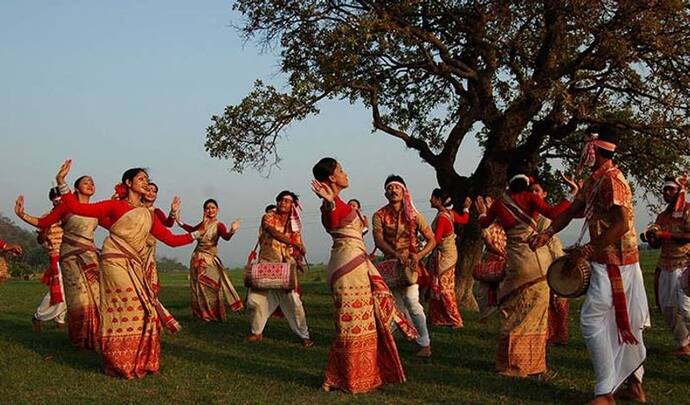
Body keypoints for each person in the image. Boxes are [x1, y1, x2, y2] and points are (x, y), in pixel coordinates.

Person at [530, 125, 650, 403]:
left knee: (595, 321)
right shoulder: (595, 180)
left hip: (617, 264)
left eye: (587, 148)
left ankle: (606, 392)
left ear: (596, 149)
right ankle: (633, 384)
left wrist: (585, 249)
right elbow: (571, 211)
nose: (583, 153)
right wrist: (547, 233)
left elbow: (621, 224)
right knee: (620, 324)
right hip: (605, 260)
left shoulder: (612, 181)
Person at [53, 159, 203, 379]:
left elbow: (170, 239)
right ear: (128, 182)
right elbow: (77, 208)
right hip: (114, 261)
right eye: (141, 179)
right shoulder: (115, 206)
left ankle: (136, 359)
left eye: (147, 180)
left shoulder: (148, 214)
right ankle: (118, 359)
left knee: (145, 310)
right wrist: (61, 182)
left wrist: (197, 234)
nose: (145, 183)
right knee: (124, 308)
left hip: (134, 264)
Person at [312, 157, 417, 393]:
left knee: (363, 321)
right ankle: (350, 377)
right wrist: (328, 203)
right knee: (350, 325)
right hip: (347, 269)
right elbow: (330, 218)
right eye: (341, 170)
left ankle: (352, 375)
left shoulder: (341, 204)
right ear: (332, 177)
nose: (345, 173)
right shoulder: (332, 205)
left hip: (357, 265)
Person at [475, 167, 572, 378]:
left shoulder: (500, 203)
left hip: (516, 264)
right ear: (528, 182)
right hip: (538, 264)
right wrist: (572, 195)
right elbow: (555, 213)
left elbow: (483, 223)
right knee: (536, 316)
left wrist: (482, 211)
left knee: (511, 312)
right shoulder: (531, 198)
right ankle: (531, 365)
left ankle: (509, 364)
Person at [16, 176, 103, 349]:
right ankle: (48, 319)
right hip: (63, 256)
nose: (90, 185)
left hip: (88, 255)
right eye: (86, 182)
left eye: (92, 182)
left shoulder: (88, 209)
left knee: (90, 293)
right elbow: (41, 232)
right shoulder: (58, 213)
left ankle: (81, 327)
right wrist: (23, 215)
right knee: (67, 293)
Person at [373, 175, 436, 357]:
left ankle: (425, 344)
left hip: (410, 266)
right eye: (390, 188)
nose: (393, 190)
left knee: (412, 302)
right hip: (390, 265)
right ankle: (390, 343)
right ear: (385, 192)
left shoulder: (414, 215)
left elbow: (432, 240)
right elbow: (378, 239)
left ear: (404, 191)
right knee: (393, 306)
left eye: (397, 187)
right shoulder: (379, 215)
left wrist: (419, 255)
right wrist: (396, 255)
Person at [246, 190, 312, 347]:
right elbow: (272, 231)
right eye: (280, 200)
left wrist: (299, 258)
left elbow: (297, 246)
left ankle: (304, 335)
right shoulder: (268, 217)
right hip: (266, 264)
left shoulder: (294, 226)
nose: (283, 203)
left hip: (285, 267)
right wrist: (294, 243)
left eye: (287, 201)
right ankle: (257, 332)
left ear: (292, 206)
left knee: (294, 303)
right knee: (255, 301)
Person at [641, 175, 690, 358]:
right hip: (665, 265)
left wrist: (665, 234)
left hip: (684, 263)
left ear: (680, 192)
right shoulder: (662, 216)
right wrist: (652, 237)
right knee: (667, 308)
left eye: (670, 189)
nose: (666, 193)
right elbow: (657, 244)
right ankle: (684, 344)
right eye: (665, 189)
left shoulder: (687, 210)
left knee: (685, 308)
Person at [529, 177, 577, 346]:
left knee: (558, 300)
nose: (534, 194)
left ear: (544, 194)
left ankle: (560, 334)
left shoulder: (546, 212)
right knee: (545, 300)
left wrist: (572, 192)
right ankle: (548, 334)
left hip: (552, 256)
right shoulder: (529, 211)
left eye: (537, 191)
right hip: (538, 260)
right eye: (531, 191)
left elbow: (559, 214)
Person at [179, 198, 243, 321]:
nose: (210, 210)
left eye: (213, 208)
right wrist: (179, 222)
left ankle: (215, 314)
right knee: (199, 287)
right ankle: (202, 315)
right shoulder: (202, 224)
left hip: (210, 259)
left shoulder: (219, 225)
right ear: (204, 210)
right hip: (198, 258)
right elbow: (192, 230)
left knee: (213, 286)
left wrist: (232, 231)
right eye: (207, 208)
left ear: (217, 210)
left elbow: (226, 237)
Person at [140, 183, 182, 333]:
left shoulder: (156, 211)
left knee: (150, 283)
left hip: (149, 251)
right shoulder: (134, 208)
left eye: (154, 191)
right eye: (148, 190)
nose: (151, 193)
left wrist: (173, 211)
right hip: (133, 249)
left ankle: (151, 316)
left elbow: (167, 224)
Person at [427, 188, 470, 328]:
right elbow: (464, 220)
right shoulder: (449, 214)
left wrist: (422, 250)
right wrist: (466, 209)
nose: (430, 200)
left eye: (432, 197)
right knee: (440, 286)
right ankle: (440, 318)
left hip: (445, 256)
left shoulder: (442, 218)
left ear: (438, 200)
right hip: (449, 254)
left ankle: (455, 319)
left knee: (444, 288)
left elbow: (437, 239)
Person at [27, 188, 68, 331]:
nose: (58, 200)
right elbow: (40, 240)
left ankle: (60, 320)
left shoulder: (70, 215)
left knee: (70, 289)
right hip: (57, 255)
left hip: (72, 256)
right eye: (55, 198)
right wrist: (44, 228)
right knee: (60, 291)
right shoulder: (48, 217)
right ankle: (39, 316)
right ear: (52, 201)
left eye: (60, 197)